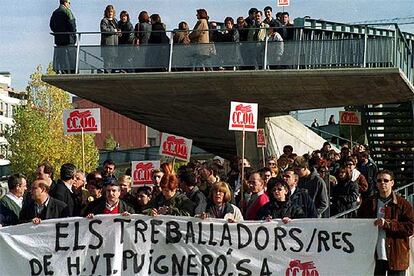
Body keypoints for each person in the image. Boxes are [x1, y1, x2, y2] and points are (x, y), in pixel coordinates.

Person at [358, 170, 414, 275]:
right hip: (374, 256)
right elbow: (358, 224)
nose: (382, 183)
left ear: (392, 183)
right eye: (379, 180)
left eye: (386, 180)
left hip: (396, 254)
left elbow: (411, 227)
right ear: (376, 183)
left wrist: (389, 224)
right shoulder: (368, 204)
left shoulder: (403, 204)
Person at [50, 0, 77, 73]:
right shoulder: (67, 11)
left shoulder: (55, 12)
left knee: (62, 58)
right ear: (65, 2)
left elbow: (51, 25)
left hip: (59, 39)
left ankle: (63, 72)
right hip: (69, 39)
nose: (69, 4)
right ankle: (73, 72)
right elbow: (72, 24)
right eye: (69, 2)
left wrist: (57, 32)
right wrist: (73, 33)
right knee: (72, 57)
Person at [100, 5, 121, 72]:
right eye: (109, 11)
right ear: (106, 12)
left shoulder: (115, 20)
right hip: (107, 45)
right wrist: (114, 30)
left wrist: (119, 32)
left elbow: (117, 30)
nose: (110, 13)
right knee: (107, 62)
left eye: (111, 11)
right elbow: (104, 30)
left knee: (114, 62)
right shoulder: (104, 20)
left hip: (115, 44)